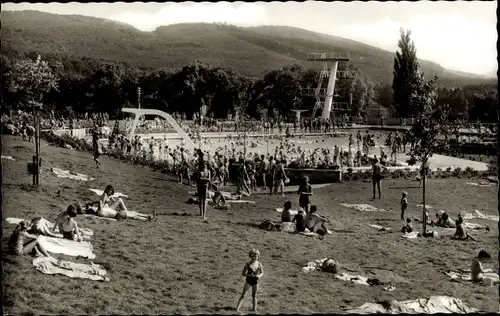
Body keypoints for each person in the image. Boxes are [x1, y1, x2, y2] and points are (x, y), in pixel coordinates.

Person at [236, 249, 264, 313]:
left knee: (254, 295)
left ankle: (254, 309)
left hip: (256, 282)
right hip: (248, 281)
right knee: (243, 294)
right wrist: (248, 275)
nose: (254, 258)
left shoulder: (259, 264)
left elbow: (262, 272)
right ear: (250, 256)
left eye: (255, 256)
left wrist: (259, 276)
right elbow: (243, 273)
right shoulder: (247, 264)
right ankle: (237, 309)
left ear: (258, 256)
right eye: (252, 256)